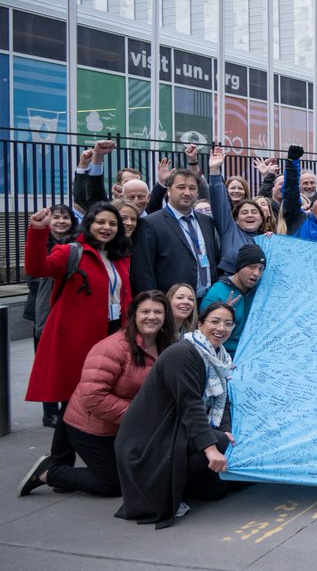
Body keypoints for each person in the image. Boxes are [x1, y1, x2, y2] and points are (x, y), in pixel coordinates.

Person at [19, 291, 177, 499]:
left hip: (123, 426)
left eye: (158, 312)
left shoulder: (166, 345)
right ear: (133, 315)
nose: (152, 316)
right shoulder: (112, 348)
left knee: (142, 475)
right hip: (90, 426)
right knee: (114, 485)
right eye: (145, 311)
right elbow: (93, 396)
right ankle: (50, 473)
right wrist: (137, 414)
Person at [115, 302, 237, 528]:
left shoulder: (221, 358)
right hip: (151, 440)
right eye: (215, 321)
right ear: (200, 324)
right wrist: (210, 447)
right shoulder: (182, 354)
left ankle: (182, 482)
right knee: (218, 443)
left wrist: (225, 429)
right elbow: (189, 404)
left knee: (216, 491)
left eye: (228, 324)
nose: (221, 328)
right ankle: (163, 486)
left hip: (176, 427)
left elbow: (224, 398)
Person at [25, 204, 133, 460]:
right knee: (75, 398)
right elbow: (37, 268)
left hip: (112, 333)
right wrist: (38, 231)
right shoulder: (70, 252)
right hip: (77, 338)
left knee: (101, 396)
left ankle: (73, 461)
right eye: (100, 222)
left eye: (112, 224)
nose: (106, 228)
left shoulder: (120, 256)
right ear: (89, 224)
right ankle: (59, 462)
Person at [25, 203, 79, 426]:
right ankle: (50, 411)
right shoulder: (40, 244)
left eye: (65, 218)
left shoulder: (76, 245)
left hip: (67, 309)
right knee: (45, 360)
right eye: (57, 217)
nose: (61, 222)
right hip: (43, 309)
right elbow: (34, 276)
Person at [131, 168, 221, 299]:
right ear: (169, 191)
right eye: (181, 187)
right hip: (169, 304)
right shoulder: (150, 224)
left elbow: (214, 260)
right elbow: (144, 272)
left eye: (192, 188)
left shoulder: (207, 221)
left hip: (206, 301)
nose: (187, 193)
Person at [206, 147, 267, 274]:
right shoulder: (230, 230)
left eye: (254, 212)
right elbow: (220, 203)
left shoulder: (267, 239)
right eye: (244, 213)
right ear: (236, 219)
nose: (249, 215)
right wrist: (215, 171)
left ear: (261, 219)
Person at [200, 244, 267, 357]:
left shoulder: (260, 291)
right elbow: (203, 335)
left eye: (261, 269)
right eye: (252, 267)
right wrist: (223, 316)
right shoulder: (217, 293)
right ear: (240, 267)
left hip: (254, 354)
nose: (257, 273)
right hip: (225, 356)